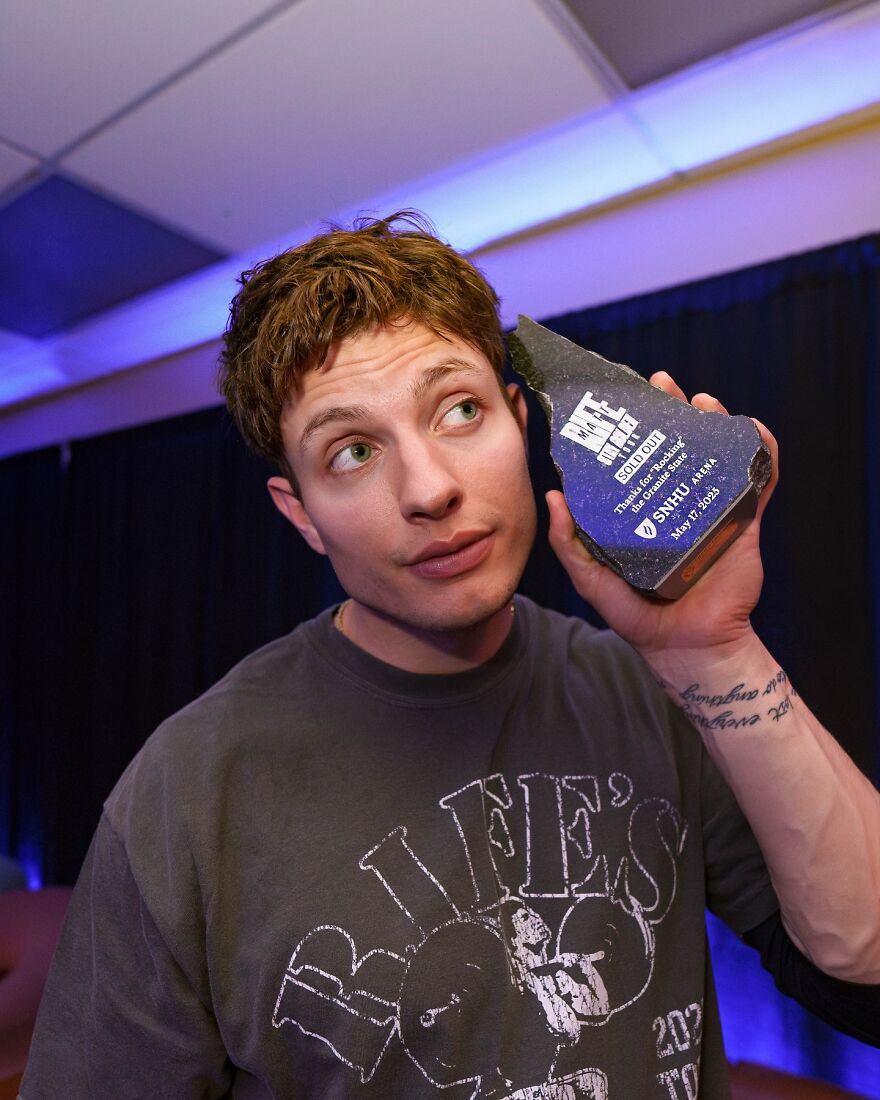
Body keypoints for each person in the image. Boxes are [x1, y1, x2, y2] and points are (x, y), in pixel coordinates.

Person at [21, 212, 880, 1099]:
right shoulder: (188, 793)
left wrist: (715, 650)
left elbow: (867, 972)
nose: (430, 489)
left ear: (521, 421)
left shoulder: (649, 691)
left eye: (461, 410)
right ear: (301, 513)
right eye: (353, 452)